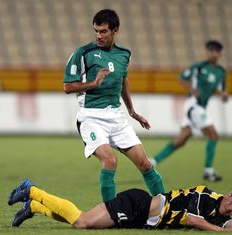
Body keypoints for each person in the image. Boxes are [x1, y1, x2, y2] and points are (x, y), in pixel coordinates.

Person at [63, 9, 165, 202]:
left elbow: (123, 80)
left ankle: (167, 206)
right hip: (91, 118)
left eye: (103, 31)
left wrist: (132, 111)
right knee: (110, 161)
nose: (98, 36)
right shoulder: (83, 53)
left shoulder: (124, 54)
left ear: (115, 30)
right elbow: (68, 87)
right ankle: (110, 213)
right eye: (96, 31)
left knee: (145, 164)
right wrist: (93, 84)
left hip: (116, 117)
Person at [7, 179, 232, 233]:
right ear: (229, 194)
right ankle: (32, 190)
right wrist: (220, 231)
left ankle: (35, 208)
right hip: (137, 204)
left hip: (140, 217)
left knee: (85, 223)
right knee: (82, 221)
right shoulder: (206, 197)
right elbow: (192, 220)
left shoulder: (219, 213)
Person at [150, 40, 228, 182]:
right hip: (193, 105)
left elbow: (221, 89)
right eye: (210, 50)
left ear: (220, 53)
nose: (213, 53)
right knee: (214, 135)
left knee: (180, 141)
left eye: (215, 51)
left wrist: (223, 94)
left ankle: (152, 162)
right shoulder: (199, 67)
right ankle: (208, 171)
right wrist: (192, 89)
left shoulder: (221, 72)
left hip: (200, 108)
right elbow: (182, 78)